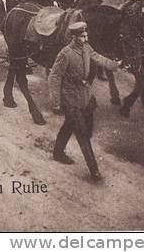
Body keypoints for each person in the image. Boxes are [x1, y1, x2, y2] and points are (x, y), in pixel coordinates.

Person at [48, 21, 119, 181]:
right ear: (74, 37)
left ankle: (58, 152)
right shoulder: (65, 54)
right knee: (82, 132)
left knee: (69, 124)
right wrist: (56, 101)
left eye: (86, 35)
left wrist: (114, 65)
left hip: (84, 96)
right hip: (70, 97)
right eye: (82, 36)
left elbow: (98, 58)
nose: (85, 38)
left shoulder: (87, 48)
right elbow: (54, 76)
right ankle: (94, 170)